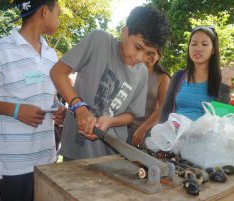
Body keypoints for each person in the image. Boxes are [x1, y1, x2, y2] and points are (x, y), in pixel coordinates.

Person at [50, 6, 169, 160]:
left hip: (111, 156)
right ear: (125, 32)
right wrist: (79, 108)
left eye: (148, 53)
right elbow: (57, 72)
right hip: (76, 151)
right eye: (138, 47)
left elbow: (131, 115)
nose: (139, 57)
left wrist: (111, 121)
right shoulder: (99, 41)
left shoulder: (142, 72)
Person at [0, 1, 64, 201]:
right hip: (11, 166)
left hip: (46, 161)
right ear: (44, 12)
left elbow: (48, 96)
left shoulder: (51, 55)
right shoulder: (1, 50)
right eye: (57, 14)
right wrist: (15, 110)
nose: (58, 21)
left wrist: (58, 108)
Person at [160, 25, 234, 123]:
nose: (198, 48)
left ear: (213, 50)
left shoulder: (220, 78)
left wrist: (225, 80)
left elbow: (222, 115)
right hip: (174, 134)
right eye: (194, 44)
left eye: (204, 44)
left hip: (205, 136)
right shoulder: (178, 76)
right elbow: (166, 110)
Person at [128, 49, 170, 147]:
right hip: (123, 126)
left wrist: (143, 128)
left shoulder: (163, 78)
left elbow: (164, 107)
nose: (149, 57)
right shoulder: (131, 71)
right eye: (146, 53)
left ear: (159, 56)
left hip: (145, 131)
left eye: (153, 53)